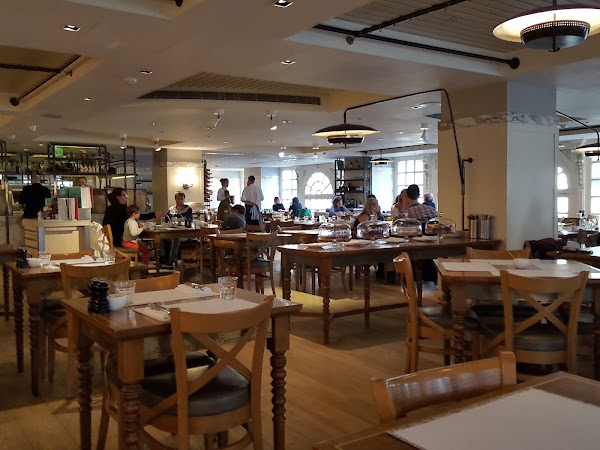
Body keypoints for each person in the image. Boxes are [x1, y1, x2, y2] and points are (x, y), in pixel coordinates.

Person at [165, 191, 194, 266]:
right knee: (162, 238)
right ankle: (163, 260)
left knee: (176, 238)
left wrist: (177, 219)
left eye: (181, 199)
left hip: (185, 234)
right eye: (178, 199)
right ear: (175, 199)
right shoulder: (171, 209)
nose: (180, 200)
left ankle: (173, 261)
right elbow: (167, 220)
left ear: (184, 199)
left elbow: (189, 220)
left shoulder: (188, 209)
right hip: (172, 231)